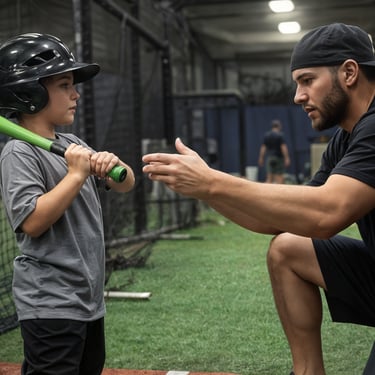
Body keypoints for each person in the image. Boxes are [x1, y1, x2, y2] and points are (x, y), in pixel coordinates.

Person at [143, 23, 375, 375]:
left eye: (307, 80)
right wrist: (207, 189)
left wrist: (214, 182)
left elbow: (328, 213)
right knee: (287, 248)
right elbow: (285, 219)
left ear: (349, 72)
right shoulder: (345, 139)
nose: (298, 96)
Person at [0, 33, 135, 375]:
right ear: (29, 93)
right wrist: (75, 175)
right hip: (50, 304)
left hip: (87, 300)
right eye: (64, 85)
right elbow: (32, 221)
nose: (75, 94)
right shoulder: (19, 152)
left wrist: (110, 164)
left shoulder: (71, 143)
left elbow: (125, 183)